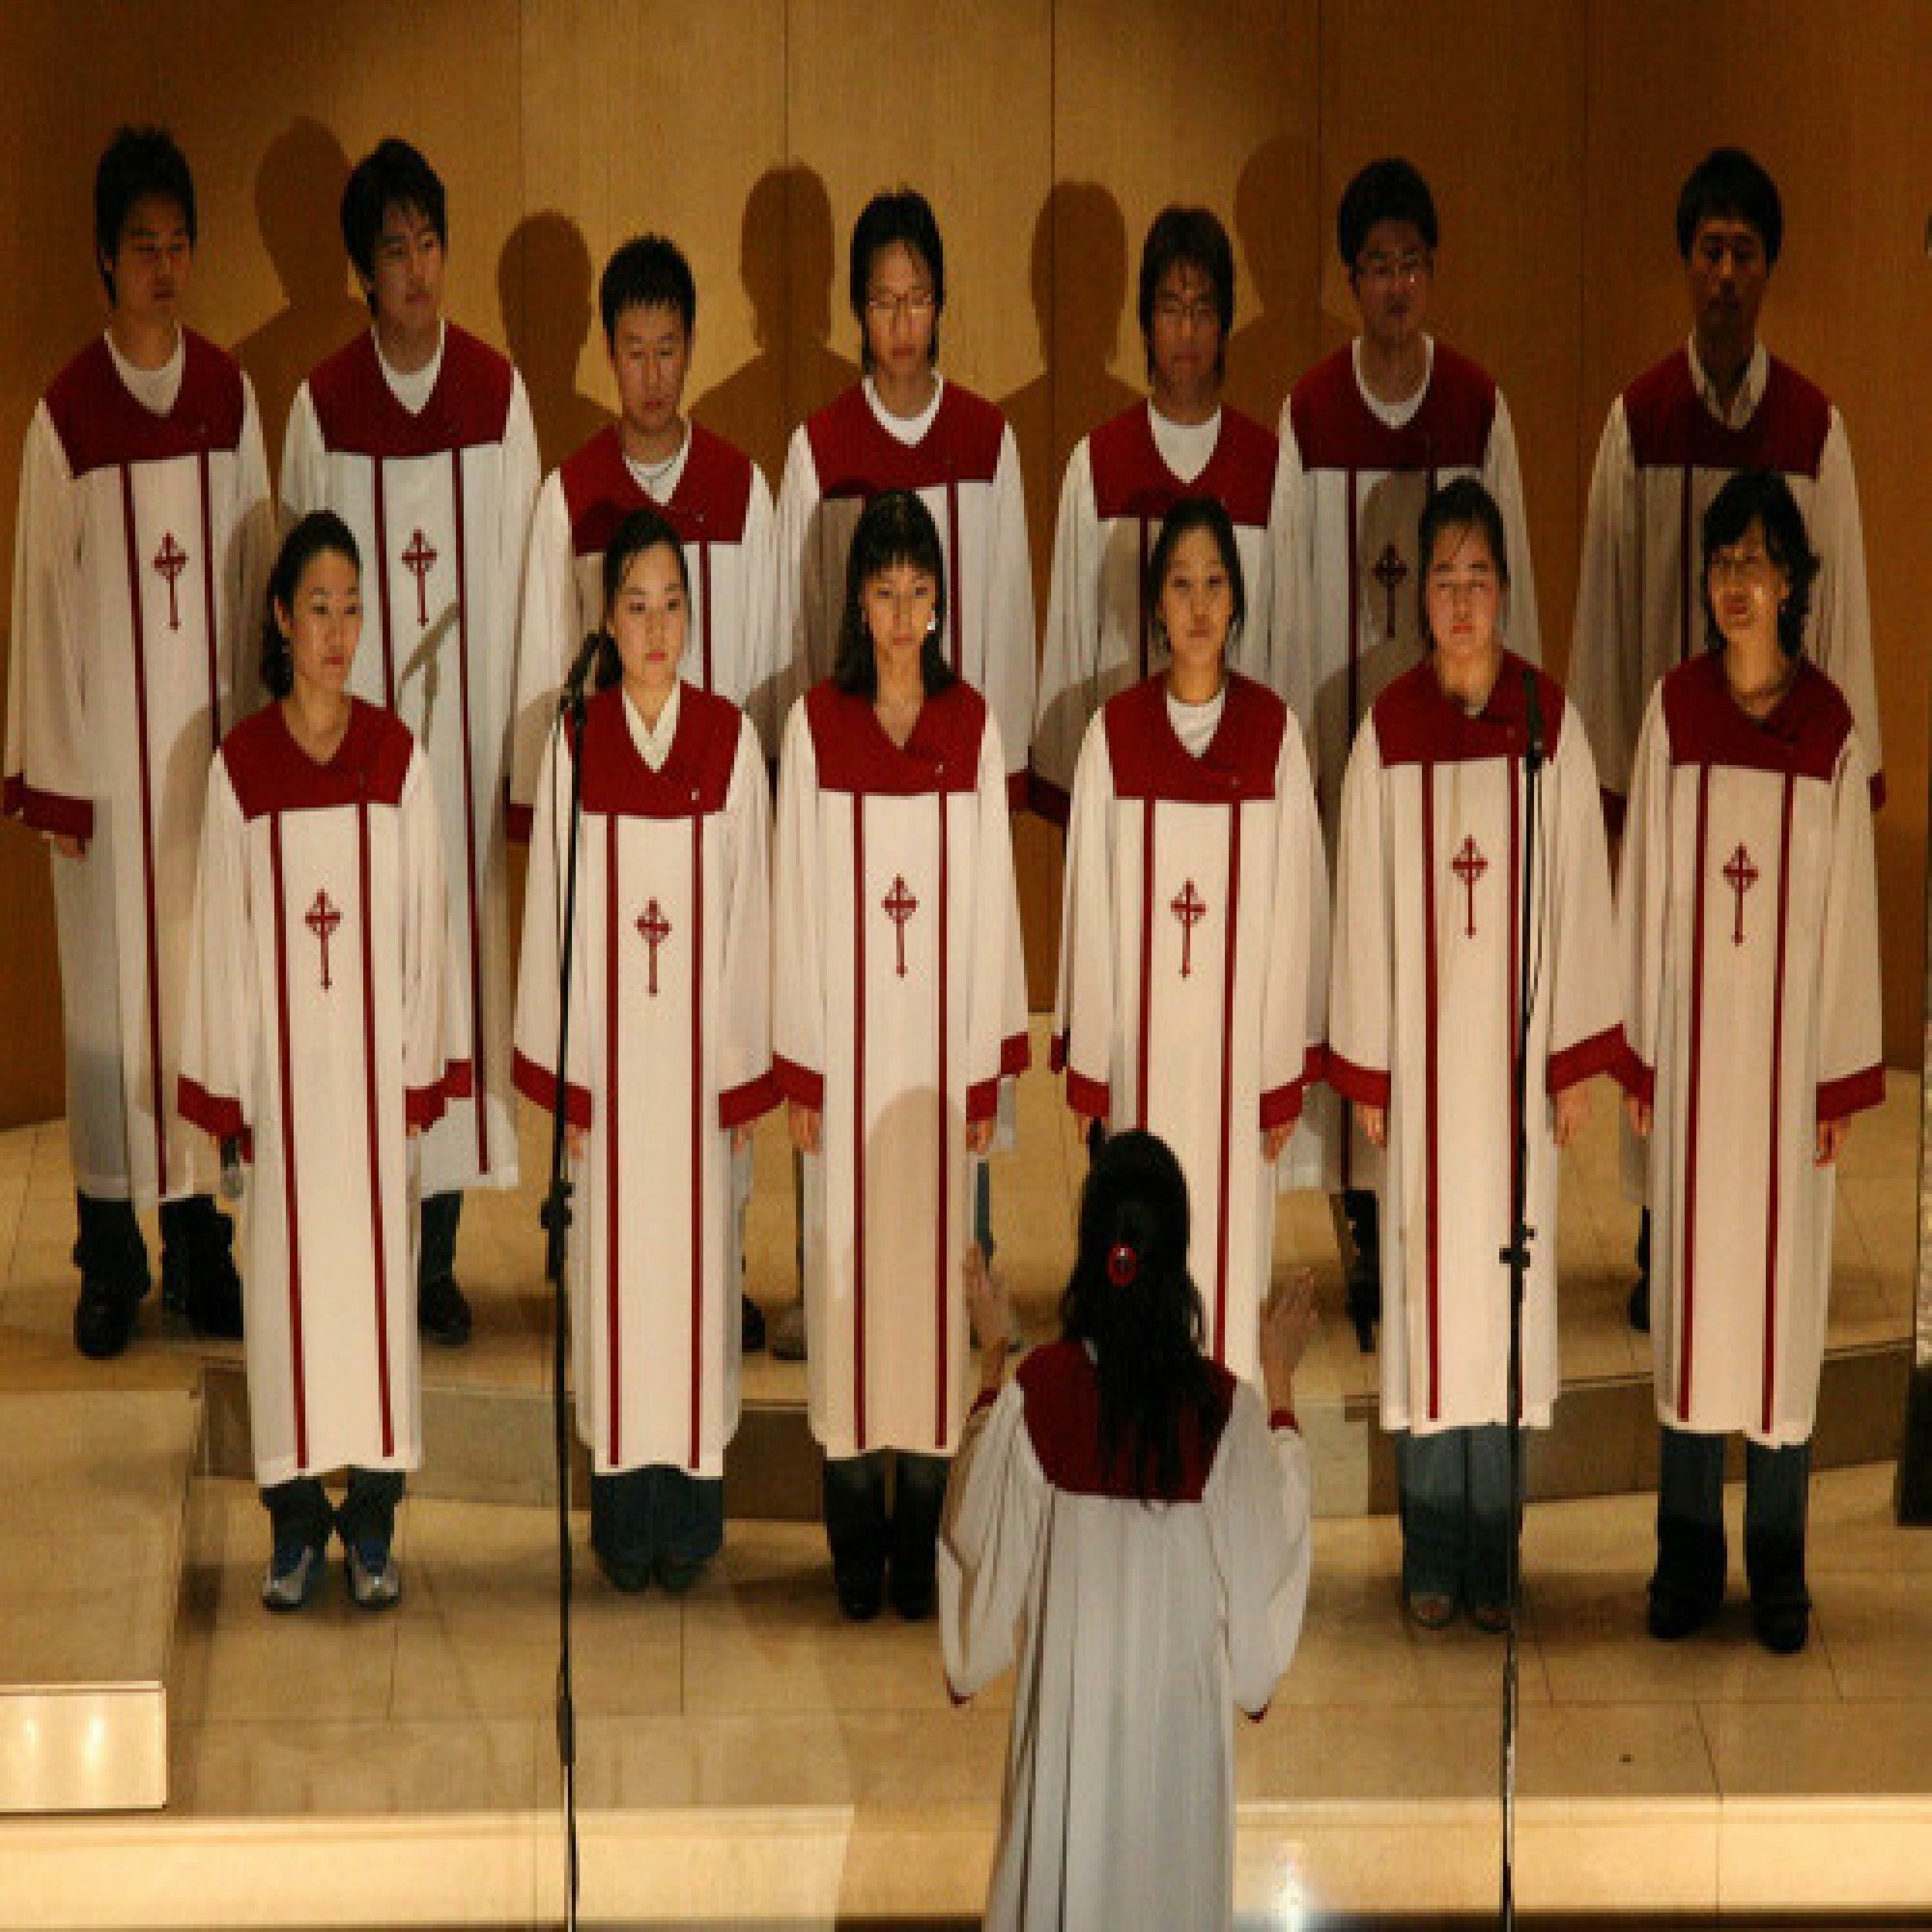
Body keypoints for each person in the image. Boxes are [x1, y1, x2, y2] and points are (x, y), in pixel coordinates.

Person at [1568, 146, 1883, 1334]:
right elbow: (1607, 607)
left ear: (1768, 270)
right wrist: (1607, 788)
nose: (1726, 273)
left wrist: (1839, 772)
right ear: (1685, 263)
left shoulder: (1813, 429)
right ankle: (1666, 1236)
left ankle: (1766, 1233)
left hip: (1782, 776)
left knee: (1766, 1010)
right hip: (1679, 776)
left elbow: (1839, 616)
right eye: (1710, 249)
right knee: (1676, 996)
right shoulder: (1639, 422)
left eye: (1746, 252)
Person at [1327, 478, 1620, 1629]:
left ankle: (1496, 1552)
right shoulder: (1389, 735)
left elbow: (1579, 895)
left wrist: (1572, 1061)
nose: (1459, 601)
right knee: (1423, 1307)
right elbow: (1363, 909)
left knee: (1502, 1305)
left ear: (1505, 590)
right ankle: (1433, 1549)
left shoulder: (1547, 724)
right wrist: (1369, 1073)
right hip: (1422, 1083)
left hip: (1509, 1081)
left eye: (1478, 578)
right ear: (1422, 597)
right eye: (1442, 579)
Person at [4, 126, 272, 1358]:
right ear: (106, 259)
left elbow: (261, 572)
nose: (163, 268)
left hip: (207, 774)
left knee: (200, 1010)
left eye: (178, 246)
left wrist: (265, 751)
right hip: (111, 784)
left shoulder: (229, 398)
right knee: (114, 1019)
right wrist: (59, 782)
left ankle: (202, 1254)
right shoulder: (66, 418)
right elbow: (41, 604)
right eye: (142, 247)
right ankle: (109, 1260)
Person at [1273, 157, 1542, 1343]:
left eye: (1411, 265)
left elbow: (1512, 581)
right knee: (1361, 982)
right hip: (1349, 761)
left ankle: (1448, 1214)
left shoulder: (1477, 408)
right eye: (1375, 267)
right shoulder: (1310, 414)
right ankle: (1365, 1226)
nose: (1394, 286)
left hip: (1462, 765)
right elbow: (1287, 603)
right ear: (1352, 281)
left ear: (1433, 274)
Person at [178, 511, 464, 1612]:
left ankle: (375, 1522)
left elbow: (427, 922)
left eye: (352, 608)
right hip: (287, 1099)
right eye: (318, 609)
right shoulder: (243, 769)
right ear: (280, 620)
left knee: (379, 1305)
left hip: (372, 1095)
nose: (338, 631)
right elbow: (223, 935)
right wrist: (233, 1097)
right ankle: (296, 1525)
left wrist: (417, 1074)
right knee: (288, 1308)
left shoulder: (397, 759)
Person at [1617, 469, 1882, 1656]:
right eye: (1724, 562)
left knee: (1779, 1321)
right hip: (1695, 1067)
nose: (1738, 584)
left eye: (1759, 563)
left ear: (1793, 585)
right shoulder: (1675, 713)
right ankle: (1686, 1554)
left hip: (1783, 1084)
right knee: (1689, 1306)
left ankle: (1779, 1562)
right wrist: (1638, 1051)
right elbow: (1645, 890)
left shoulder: (1828, 732)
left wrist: (1837, 1079)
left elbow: (1849, 918)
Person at [280, 137, 539, 1349]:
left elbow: (528, 590)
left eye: (431, 243)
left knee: (453, 990)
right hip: (350, 770)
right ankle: (357, 1242)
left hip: (467, 758)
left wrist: (524, 767)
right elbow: (292, 591)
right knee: (358, 987)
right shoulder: (322, 409)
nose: (419, 269)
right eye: (395, 251)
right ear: (362, 271)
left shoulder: (496, 396)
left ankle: (434, 1257)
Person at [772, 187, 1035, 1357]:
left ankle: (963, 1273)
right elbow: (801, 620)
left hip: (950, 775)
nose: (901, 321)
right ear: (857, 311)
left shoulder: (988, 440)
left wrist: (995, 781)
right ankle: (827, 1281)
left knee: (951, 1022)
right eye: (881, 301)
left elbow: (1008, 613)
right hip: (850, 775)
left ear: (941, 305)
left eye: (918, 298)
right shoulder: (819, 448)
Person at [940, 1130, 1314, 1932]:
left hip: (1068, 1744)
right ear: (1179, 1260)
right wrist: (1281, 1378)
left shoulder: (1041, 1393)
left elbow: (978, 1536)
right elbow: (1267, 1573)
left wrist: (994, 1354)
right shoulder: (1223, 1410)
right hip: (1176, 1750)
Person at [772, 489, 1028, 1622]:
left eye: (920, 591)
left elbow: (990, 908)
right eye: (884, 591)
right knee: (845, 1302)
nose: (903, 613)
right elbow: (792, 903)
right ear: (858, 603)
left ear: (940, 602)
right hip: (843, 1069)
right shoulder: (814, 728)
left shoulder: (971, 727)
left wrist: (982, 1075)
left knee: (931, 1299)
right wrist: (800, 1070)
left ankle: (921, 1529)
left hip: (932, 1074)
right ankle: (852, 1541)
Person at [514, 509, 775, 1593]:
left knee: (697, 1287)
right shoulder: (576, 742)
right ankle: (625, 1526)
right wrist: (570, 1082)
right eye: (636, 606)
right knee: (619, 1291)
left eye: (672, 605)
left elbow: (751, 913)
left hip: (698, 1079)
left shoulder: (728, 741)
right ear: (607, 621)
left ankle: (693, 1527)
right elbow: (554, 915)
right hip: (615, 1086)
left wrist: (742, 1079)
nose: (656, 627)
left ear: (691, 618)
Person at [1052, 497, 1325, 1385]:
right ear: (1156, 605)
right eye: (1181, 585)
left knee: (1229, 1280)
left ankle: (1225, 1437)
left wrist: (1281, 1073)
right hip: (1145, 1065)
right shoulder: (1114, 737)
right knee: (1140, 1270)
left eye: (1215, 583)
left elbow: (1297, 912)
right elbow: (1091, 909)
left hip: (1239, 1073)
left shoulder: (1275, 735)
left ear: (1236, 598)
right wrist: (1092, 1068)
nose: (1200, 605)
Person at [509, 233, 782, 820]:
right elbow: (546, 663)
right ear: (610, 353)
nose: (654, 376)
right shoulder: (569, 498)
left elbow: (766, 664)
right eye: (636, 354)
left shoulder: (741, 491)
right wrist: (539, 809)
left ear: (691, 347)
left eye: (667, 350)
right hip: (608, 809)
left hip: (717, 805)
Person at [1031, 207, 1287, 820]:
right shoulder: (1098, 465)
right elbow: (1072, 646)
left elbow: (1285, 648)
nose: (1187, 331)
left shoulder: (1269, 469)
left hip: (1237, 793)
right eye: (1171, 308)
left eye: (1203, 310)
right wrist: (1077, 806)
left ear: (1225, 322)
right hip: (1125, 798)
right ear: (1146, 322)